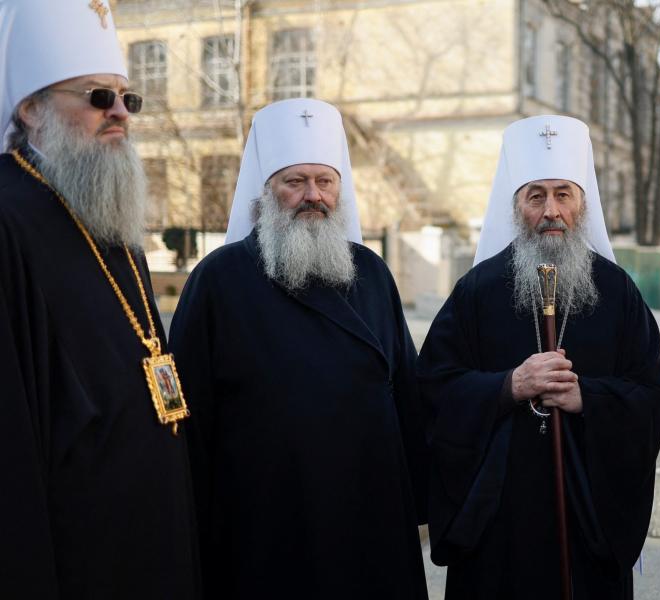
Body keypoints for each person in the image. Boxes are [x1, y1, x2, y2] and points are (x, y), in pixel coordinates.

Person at [169, 98, 429, 599]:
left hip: (367, 515)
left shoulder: (371, 272)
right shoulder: (218, 280)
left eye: (325, 181)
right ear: (266, 194)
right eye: (295, 182)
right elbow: (189, 419)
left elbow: (409, 397)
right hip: (263, 522)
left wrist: (421, 499)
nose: (314, 195)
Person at [417, 115, 660, 598]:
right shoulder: (477, 291)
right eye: (536, 195)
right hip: (497, 526)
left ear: (582, 204)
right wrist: (508, 386)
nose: (550, 210)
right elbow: (432, 388)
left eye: (563, 194)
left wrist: (587, 399)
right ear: (516, 207)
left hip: (587, 523)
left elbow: (653, 395)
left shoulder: (616, 292)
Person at [0, 1, 199, 597]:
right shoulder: (7, 220)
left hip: (148, 539)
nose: (119, 114)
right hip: (72, 552)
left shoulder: (105, 211)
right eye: (96, 98)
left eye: (126, 99)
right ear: (31, 110)